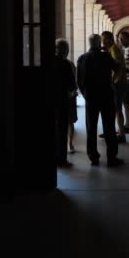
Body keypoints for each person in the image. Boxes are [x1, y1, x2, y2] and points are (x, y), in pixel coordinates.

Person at [76, 34, 124, 167]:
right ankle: (111, 157)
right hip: (106, 96)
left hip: (91, 97)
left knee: (91, 127)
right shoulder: (105, 56)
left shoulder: (82, 58)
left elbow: (79, 80)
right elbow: (117, 68)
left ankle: (93, 157)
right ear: (99, 43)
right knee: (109, 127)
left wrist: (85, 95)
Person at [101, 31, 128, 143]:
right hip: (119, 82)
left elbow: (117, 68)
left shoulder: (114, 49)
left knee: (117, 109)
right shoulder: (112, 49)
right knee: (115, 109)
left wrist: (111, 81)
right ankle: (112, 131)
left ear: (108, 39)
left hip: (118, 83)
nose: (102, 42)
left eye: (103, 39)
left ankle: (121, 134)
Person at [54, 39, 77, 167]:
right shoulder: (66, 64)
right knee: (62, 130)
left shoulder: (47, 62)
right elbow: (72, 85)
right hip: (62, 100)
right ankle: (61, 160)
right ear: (66, 50)